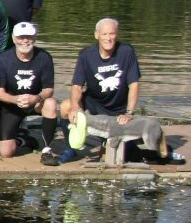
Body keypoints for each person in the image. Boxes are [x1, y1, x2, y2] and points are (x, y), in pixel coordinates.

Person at [58, 18, 184, 165]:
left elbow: (134, 85)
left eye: (112, 34)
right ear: (97, 35)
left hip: (119, 109)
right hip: (94, 104)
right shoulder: (86, 55)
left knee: (131, 155)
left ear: (117, 35)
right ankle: (70, 149)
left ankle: (162, 152)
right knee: (66, 106)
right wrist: (75, 107)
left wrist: (129, 112)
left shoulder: (126, 51)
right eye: (104, 34)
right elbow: (77, 86)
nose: (108, 38)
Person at [0, 22, 58, 165]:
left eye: (29, 37)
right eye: (21, 37)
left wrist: (37, 97)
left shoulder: (44, 57)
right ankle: (23, 139)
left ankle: (47, 150)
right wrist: (15, 99)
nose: (25, 40)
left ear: (34, 38)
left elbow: (49, 89)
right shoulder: (3, 59)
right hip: (12, 104)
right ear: (14, 38)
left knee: (51, 103)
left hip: (35, 101)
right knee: (6, 153)